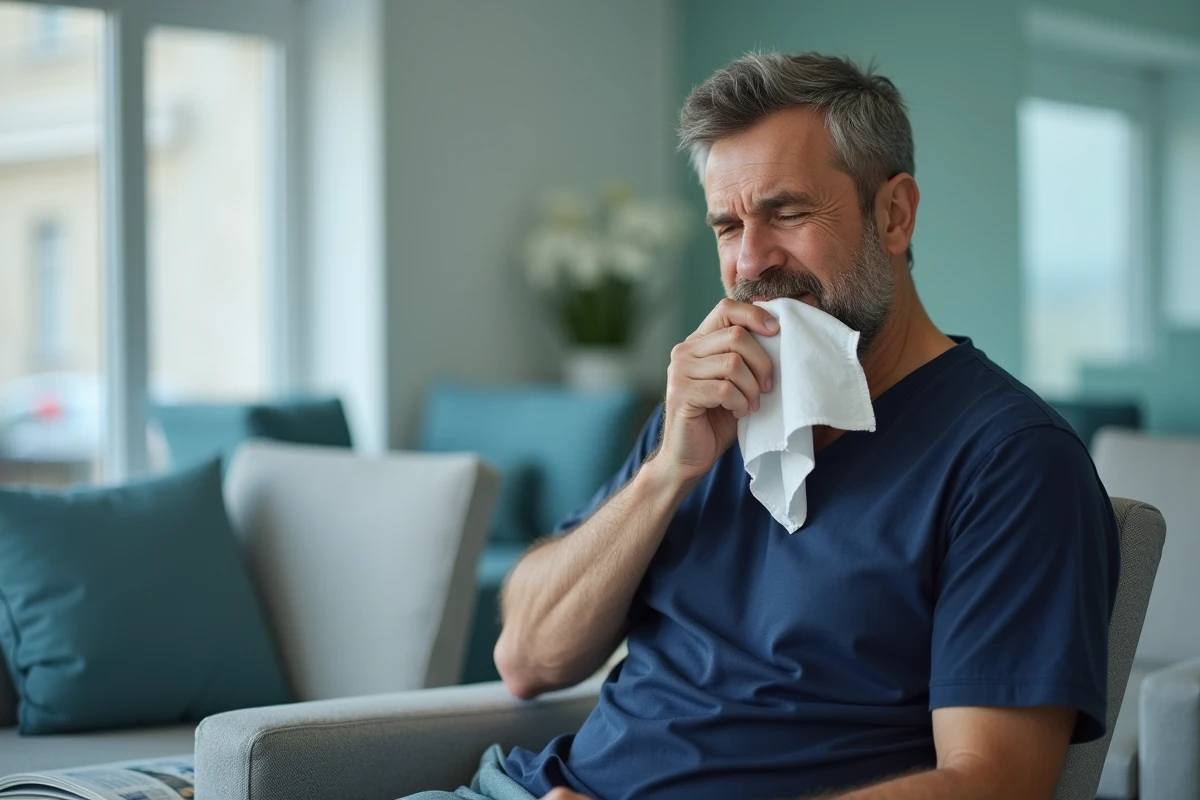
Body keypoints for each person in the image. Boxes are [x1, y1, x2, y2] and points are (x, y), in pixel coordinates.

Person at [403, 51, 1119, 800]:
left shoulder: (1010, 461)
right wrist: (665, 474)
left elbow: (994, 783)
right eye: (727, 226)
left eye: (787, 212)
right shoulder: (707, 408)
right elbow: (527, 658)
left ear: (894, 215)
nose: (751, 261)